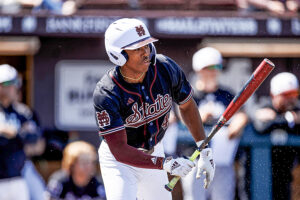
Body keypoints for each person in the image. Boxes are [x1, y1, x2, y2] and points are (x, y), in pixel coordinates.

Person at [93, 18, 215, 200]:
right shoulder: (107, 92)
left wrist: (203, 147)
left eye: (147, 46)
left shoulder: (165, 67)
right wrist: (164, 164)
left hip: (155, 151)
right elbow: (120, 149)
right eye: (137, 48)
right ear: (118, 54)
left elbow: (187, 105)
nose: (146, 53)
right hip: (120, 162)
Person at [180, 47, 248, 200]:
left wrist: (239, 121)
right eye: (208, 68)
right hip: (195, 158)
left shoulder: (226, 94)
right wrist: (198, 118)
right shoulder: (189, 94)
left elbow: (241, 114)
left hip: (222, 160)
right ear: (199, 69)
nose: (213, 72)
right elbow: (180, 117)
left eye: (217, 67)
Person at [253, 72, 300, 200]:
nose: (291, 99)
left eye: (294, 94)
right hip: (257, 175)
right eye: (286, 95)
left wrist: (280, 119)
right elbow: (261, 127)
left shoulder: (297, 109)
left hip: (285, 175)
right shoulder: (263, 105)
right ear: (274, 95)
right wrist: (289, 119)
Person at [0, 64, 41, 200]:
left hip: (18, 175)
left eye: (16, 83)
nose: (14, 87)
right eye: (9, 83)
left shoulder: (22, 111)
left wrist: (12, 132)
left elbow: (34, 138)